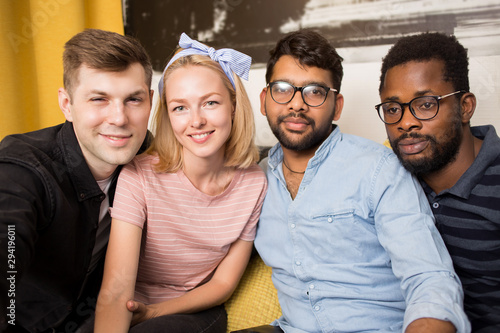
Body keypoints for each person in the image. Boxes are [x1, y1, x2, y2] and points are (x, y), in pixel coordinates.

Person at [253, 29, 470, 333]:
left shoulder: (379, 170)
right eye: (283, 88)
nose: (296, 104)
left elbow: (429, 277)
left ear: (337, 106)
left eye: (314, 91)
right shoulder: (252, 182)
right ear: (265, 100)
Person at [94, 33, 267, 333]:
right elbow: (115, 290)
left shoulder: (255, 185)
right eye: (180, 108)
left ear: (234, 106)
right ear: (168, 116)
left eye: (210, 103)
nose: (196, 121)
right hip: (128, 305)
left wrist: (155, 313)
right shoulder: (139, 177)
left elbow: (224, 284)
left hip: (194, 311)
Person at [0, 29, 153, 332]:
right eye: (99, 99)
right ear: (67, 104)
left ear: (150, 101)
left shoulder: (152, 157)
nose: (119, 118)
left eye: (133, 99)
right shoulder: (22, 169)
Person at [377, 32, 500, 332]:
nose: (406, 122)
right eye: (393, 109)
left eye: (426, 104)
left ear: (465, 107)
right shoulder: (387, 181)